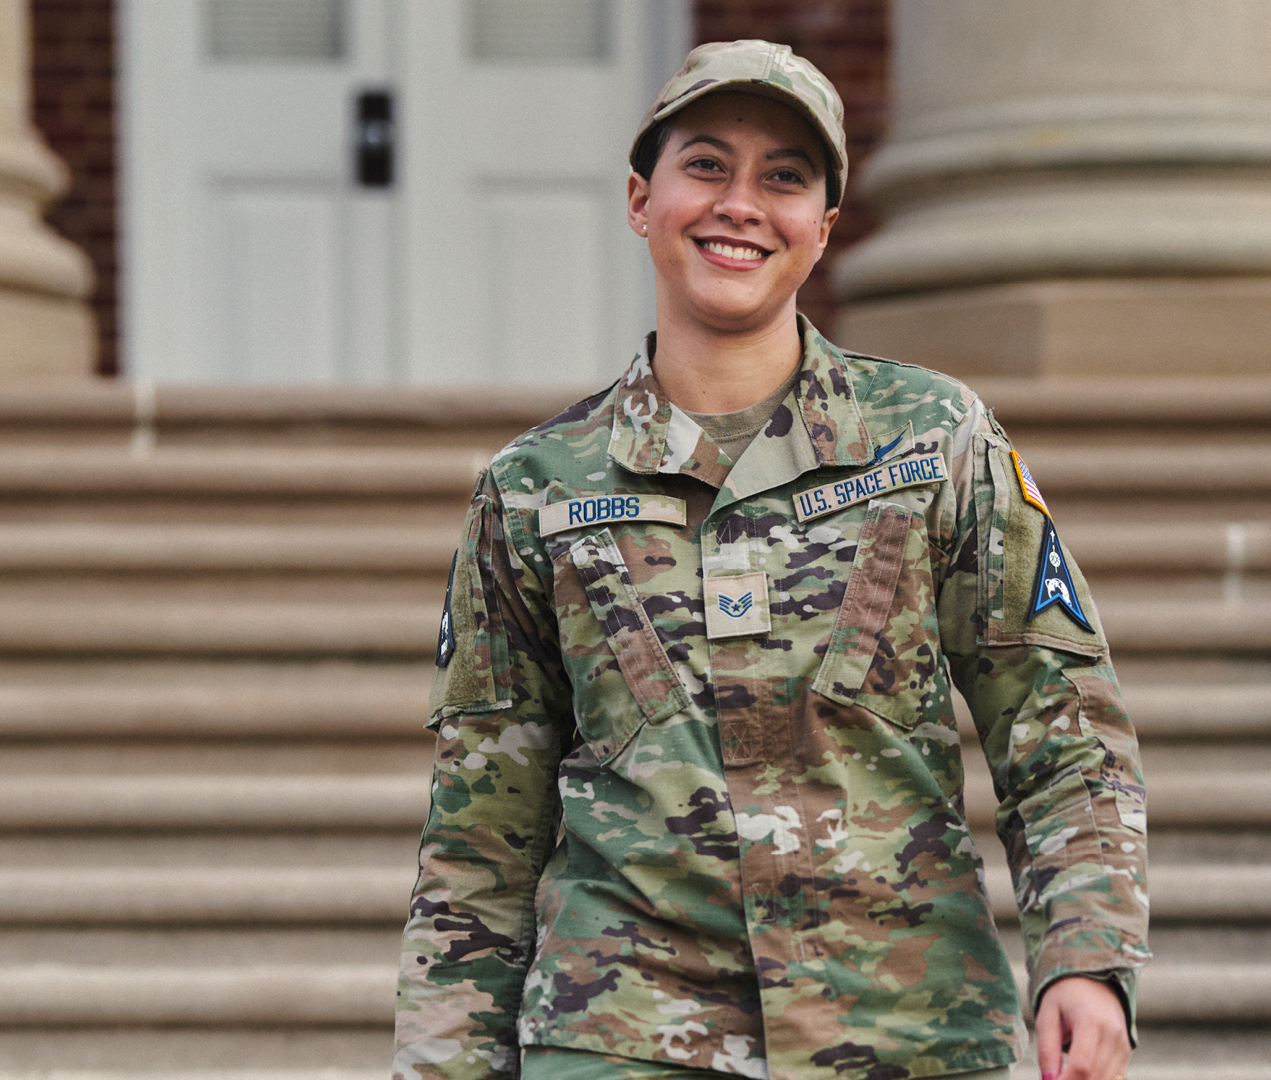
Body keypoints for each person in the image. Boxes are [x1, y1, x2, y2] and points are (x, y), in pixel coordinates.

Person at [394, 39, 1148, 1080]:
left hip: (905, 1027)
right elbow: (480, 837)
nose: (741, 204)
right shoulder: (537, 488)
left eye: (784, 177)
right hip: (624, 1034)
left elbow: (1058, 718)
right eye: (706, 165)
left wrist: (1086, 955)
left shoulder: (933, 440)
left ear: (824, 228)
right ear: (639, 199)